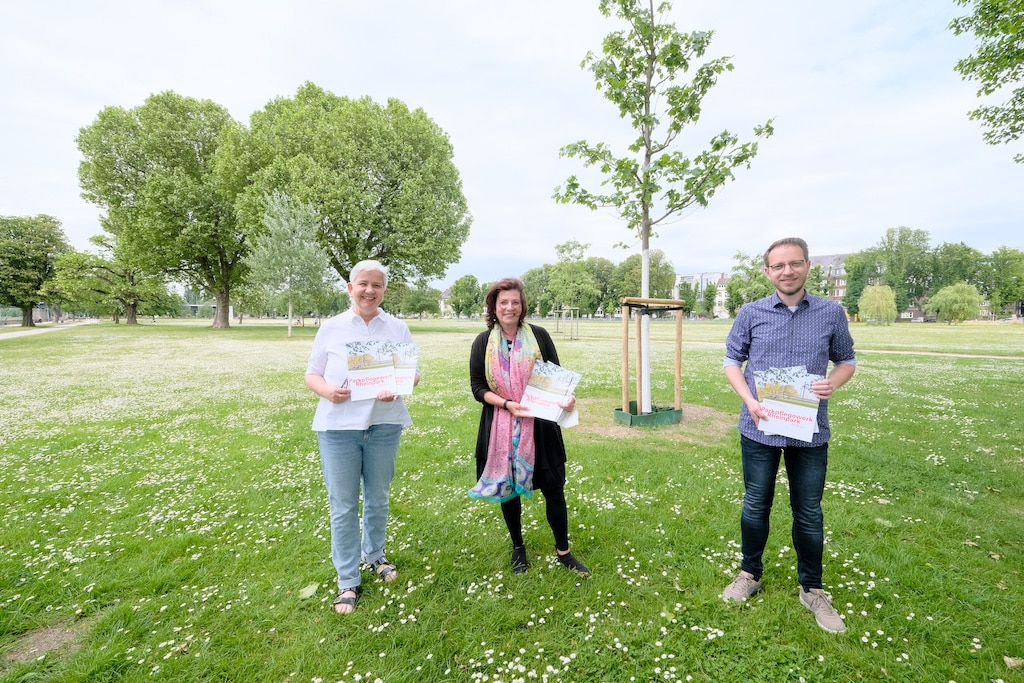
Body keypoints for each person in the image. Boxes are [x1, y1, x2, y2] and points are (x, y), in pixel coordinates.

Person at [721, 237, 856, 634]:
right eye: (778, 266)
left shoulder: (831, 313)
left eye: (794, 263)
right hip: (760, 428)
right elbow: (732, 360)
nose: (787, 271)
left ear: (808, 266)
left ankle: (812, 588)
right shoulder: (751, 312)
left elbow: (847, 360)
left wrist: (833, 382)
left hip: (809, 432)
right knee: (755, 504)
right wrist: (749, 400)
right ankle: (750, 574)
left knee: (809, 513)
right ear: (768, 272)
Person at [305, 259, 419, 614]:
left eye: (377, 285)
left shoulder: (397, 328)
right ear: (350, 288)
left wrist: (399, 387)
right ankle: (347, 580)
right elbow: (312, 374)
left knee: (379, 497)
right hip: (338, 428)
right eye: (363, 284)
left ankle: (375, 556)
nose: (370, 290)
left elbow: (412, 374)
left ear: (384, 290)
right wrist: (326, 391)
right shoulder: (332, 327)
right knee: (342, 505)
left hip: (384, 424)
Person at [468, 278, 590, 577]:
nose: (510, 307)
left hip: (541, 426)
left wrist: (568, 398)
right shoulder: (483, 342)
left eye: (515, 302)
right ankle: (518, 548)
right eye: (503, 303)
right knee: (508, 491)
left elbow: (557, 377)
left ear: (522, 306)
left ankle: (564, 551)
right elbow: (477, 386)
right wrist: (507, 404)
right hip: (500, 424)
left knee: (554, 489)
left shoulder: (539, 336)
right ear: (493, 307)